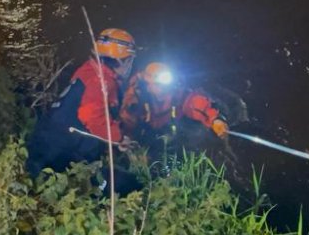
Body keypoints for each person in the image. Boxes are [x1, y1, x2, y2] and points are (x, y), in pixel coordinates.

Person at [27, 28, 137, 180]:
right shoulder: (100, 81)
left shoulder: (89, 70)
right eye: (130, 60)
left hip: (49, 147)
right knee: (128, 185)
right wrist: (119, 138)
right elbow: (93, 118)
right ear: (120, 60)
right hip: (61, 157)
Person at [120, 62, 229, 146]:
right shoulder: (137, 98)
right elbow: (127, 120)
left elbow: (195, 102)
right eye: (157, 84)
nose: (162, 88)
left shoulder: (176, 95)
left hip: (169, 138)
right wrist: (126, 141)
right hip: (142, 139)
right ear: (148, 84)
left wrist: (215, 119)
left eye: (163, 84)